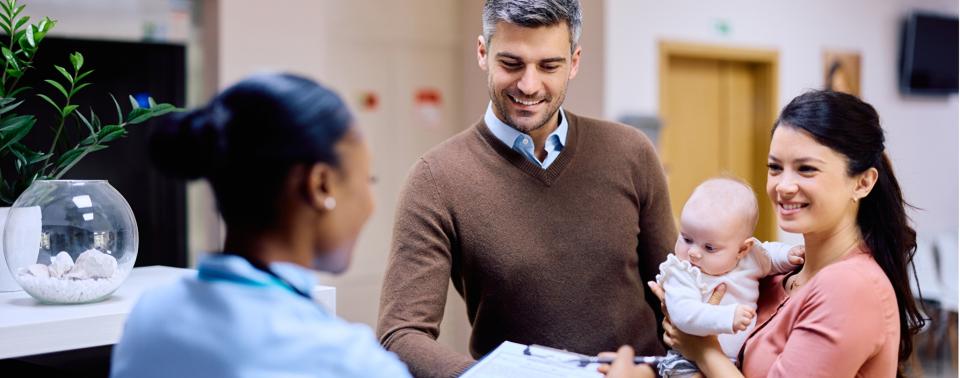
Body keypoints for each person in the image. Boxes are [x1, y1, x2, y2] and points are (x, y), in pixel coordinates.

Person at [376, 0, 676, 376]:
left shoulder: (631, 153)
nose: (529, 85)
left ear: (575, 61)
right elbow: (400, 333)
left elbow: (674, 298)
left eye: (549, 66)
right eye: (511, 63)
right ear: (483, 53)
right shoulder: (435, 179)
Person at [602, 90, 925, 377]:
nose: (783, 186)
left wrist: (701, 348)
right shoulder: (775, 275)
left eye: (806, 169)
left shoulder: (850, 287)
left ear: (863, 182)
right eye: (775, 168)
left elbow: (714, 356)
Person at [110, 73, 411, 378]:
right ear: (320, 185)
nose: (371, 204)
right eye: (367, 180)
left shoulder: (149, 318)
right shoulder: (347, 361)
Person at [655, 177, 803, 377]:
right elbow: (684, 315)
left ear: (742, 249)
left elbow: (769, 255)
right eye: (687, 238)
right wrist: (727, 317)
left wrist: (787, 255)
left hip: (734, 363)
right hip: (687, 363)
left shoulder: (751, 258)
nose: (693, 253)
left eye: (709, 247)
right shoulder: (683, 272)